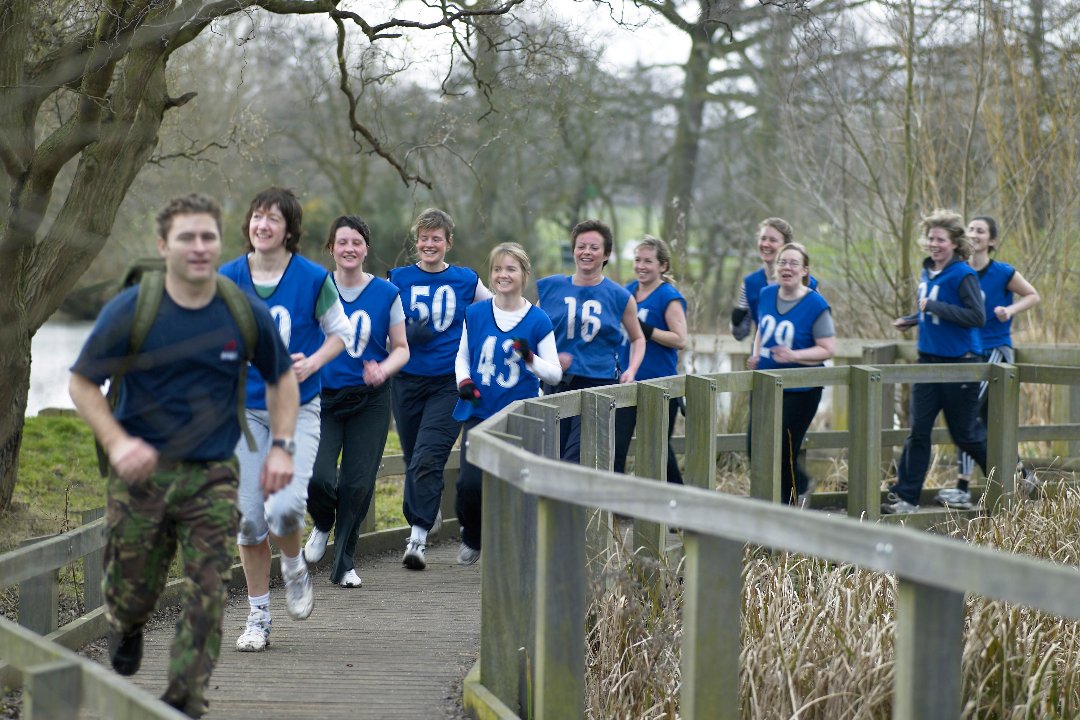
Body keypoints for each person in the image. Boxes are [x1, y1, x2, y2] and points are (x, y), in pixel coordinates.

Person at [69, 193, 299, 718]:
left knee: (208, 585)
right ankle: (126, 622)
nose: (199, 247)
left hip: (211, 471)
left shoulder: (241, 311)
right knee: (132, 588)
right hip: (140, 472)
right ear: (162, 245)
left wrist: (282, 446)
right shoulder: (133, 309)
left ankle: (184, 700)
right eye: (186, 237)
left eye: (208, 237)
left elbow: (282, 377)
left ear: (219, 242)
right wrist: (117, 442)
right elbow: (82, 382)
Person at [220, 187, 352, 651]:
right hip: (244, 412)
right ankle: (258, 618)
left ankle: (294, 565)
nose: (263, 225)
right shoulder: (228, 277)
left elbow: (342, 333)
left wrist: (312, 362)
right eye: (257, 216)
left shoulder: (313, 279)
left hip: (297, 408)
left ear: (289, 229)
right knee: (249, 521)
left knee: (283, 509)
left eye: (273, 218)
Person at [304, 216, 410, 587]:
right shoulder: (315, 289)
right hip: (322, 399)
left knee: (357, 483)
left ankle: (345, 564)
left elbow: (402, 349)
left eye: (356, 242)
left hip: (370, 400)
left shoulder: (386, 293)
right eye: (342, 242)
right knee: (316, 475)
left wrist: (383, 369)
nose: (349, 249)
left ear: (366, 248)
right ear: (331, 248)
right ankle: (322, 521)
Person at [388, 208, 492, 570]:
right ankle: (427, 510)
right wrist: (399, 337)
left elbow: (494, 312)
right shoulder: (397, 279)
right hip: (406, 380)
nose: (429, 244)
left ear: (448, 242)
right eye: (423, 238)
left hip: (448, 382)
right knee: (413, 459)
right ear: (416, 241)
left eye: (436, 238)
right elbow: (379, 321)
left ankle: (416, 539)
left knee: (428, 457)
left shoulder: (467, 280)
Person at [453, 243, 562, 564]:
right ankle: (473, 536)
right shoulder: (475, 314)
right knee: (469, 484)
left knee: (515, 484)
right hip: (480, 411)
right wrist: (464, 382)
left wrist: (530, 359)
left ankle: (514, 549)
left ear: (525, 275)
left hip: (519, 415)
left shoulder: (538, 320)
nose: (503, 275)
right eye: (497, 269)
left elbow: (555, 373)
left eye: (511, 269)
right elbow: (462, 357)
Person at [883, 210, 988, 515]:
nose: (934, 244)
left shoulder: (963, 274)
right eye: (931, 238)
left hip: (961, 365)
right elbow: (933, 309)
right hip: (927, 362)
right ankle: (906, 498)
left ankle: (1014, 478)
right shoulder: (927, 271)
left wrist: (933, 307)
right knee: (918, 431)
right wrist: (913, 319)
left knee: (965, 435)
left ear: (954, 243)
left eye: (940, 239)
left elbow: (976, 317)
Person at [936, 215, 1041, 508]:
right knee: (983, 421)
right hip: (969, 351)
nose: (974, 234)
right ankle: (1023, 477)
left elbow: (1033, 295)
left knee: (966, 413)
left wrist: (1010, 310)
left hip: (996, 351)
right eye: (970, 229)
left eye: (980, 231)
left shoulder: (1002, 272)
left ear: (991, 240)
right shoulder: (958, 272)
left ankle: (963, 487)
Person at [537, 219, 645, 462]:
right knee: (553, 454)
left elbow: (638, 338)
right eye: (581, 246)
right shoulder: (551, 288)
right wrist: (545, 358)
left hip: (598, 383)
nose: (586, 252)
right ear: (573, 250)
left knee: (577, 456)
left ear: (606, 254)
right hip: (557, 381)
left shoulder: (620, 296)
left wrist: (631, 370)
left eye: (594, 247)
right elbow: (533, 331)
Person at [747, 242, 835, 505]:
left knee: (782, 449)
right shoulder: (766, 294)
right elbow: (762, 329)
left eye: (794, 263)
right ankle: (779, 498)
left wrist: (794, 355)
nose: (787, 267)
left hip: (801, 390)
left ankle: (790, 500)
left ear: (804, 270)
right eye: (782, 262)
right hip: (765, 385)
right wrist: (756, 353)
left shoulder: (815, 304)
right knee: (754, 445)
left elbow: (827, 349)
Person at [613, 236, 688, 483]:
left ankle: (680, 502)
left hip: (659, 386)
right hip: (625, 383)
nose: (641, 266)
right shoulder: (626, 292)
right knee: (615, 449)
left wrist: (648, 331)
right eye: (637, 260)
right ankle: (616, 503)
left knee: (658, 453)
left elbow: (680, 339)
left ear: (662, 266)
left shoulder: (668, 296)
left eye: (648, 261)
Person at [731, 217, 818, 341]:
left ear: (786, 246)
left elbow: (822, 331)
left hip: (801, 352)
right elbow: (741, 334)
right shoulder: (750, 284)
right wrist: (736, 323)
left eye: (772, 240)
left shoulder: (808, 283)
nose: (765, 244)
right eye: (763, 238)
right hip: (764, 352)